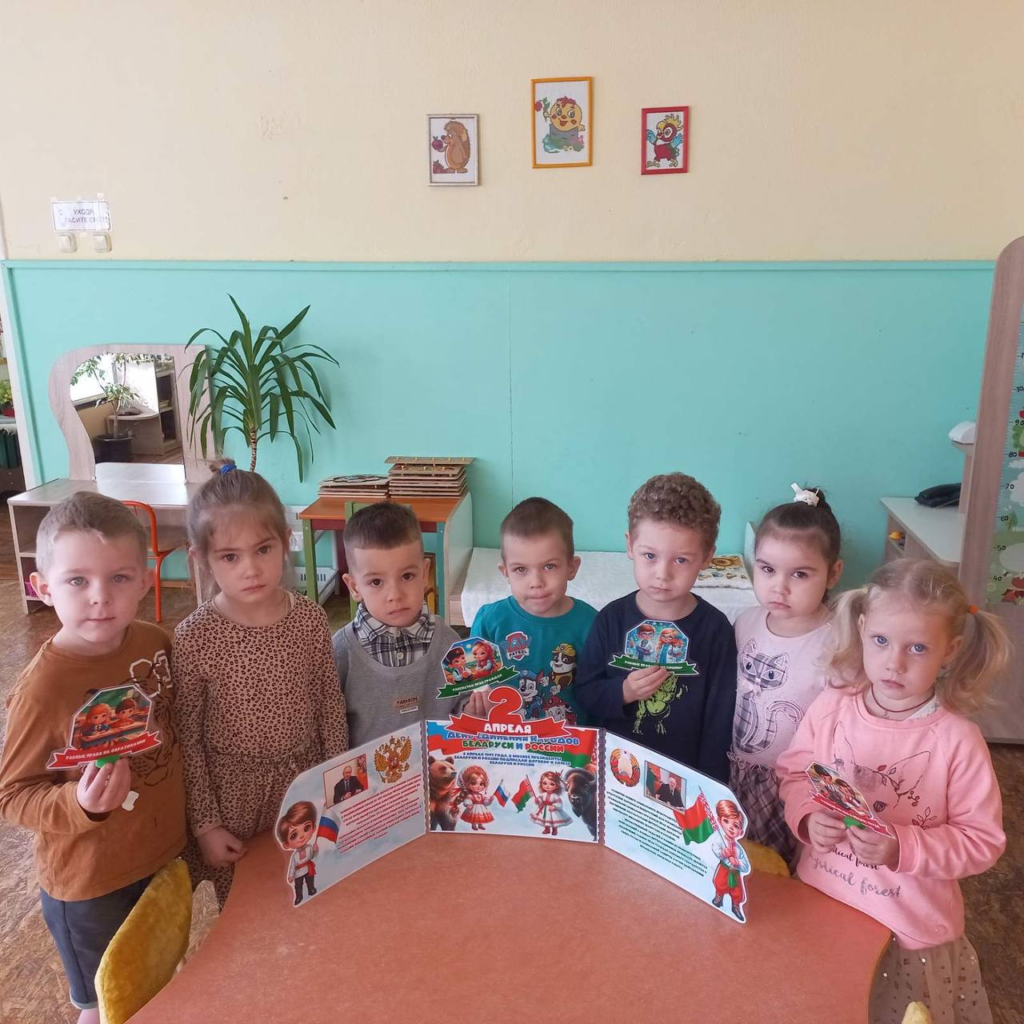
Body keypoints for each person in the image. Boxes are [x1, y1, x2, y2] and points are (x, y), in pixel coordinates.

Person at [778, 559, 1010, 1024]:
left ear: (950, 651)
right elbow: (795, 772)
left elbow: (982, 841)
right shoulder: (832, 706)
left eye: (918, 648)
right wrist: (806, 815)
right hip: (820, 903)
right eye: (882, 640)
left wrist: (901, 846)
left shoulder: (957, 740)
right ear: (863, 628)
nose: (895, 663)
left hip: (904, 932)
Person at [0, 493, 186, 1024]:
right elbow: (12, 796)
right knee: (107, 1006)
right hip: (89, 886)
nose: (100, 597)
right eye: (77, 580)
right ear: (42, 588)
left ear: (145, 580)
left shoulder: (155, 642)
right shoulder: (42, 690)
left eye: (119, 578)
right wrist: (80, 804)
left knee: (156, 981)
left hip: (161, 856)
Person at [174, 461, 348, 907]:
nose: (250, 568)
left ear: (286, 543)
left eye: (263, 549)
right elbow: (187, 738)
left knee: (310, 896)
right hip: (232, 800)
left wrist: (337, 787)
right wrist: (207, 825)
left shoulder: (310, 618)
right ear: (202, 559)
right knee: (246, 910)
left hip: (304, 786)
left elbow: (329, 705)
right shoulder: (194, 636)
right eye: (230, 556)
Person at [575, 473, 737, 781]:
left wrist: (709, 785)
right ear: (630, 545)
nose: (663, 574)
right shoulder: (610, 619)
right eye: (650, 556)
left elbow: (719, 722)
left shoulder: (716, 631)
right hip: (615, 773)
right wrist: (623, 691)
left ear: (707, 557)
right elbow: (585, 693)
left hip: (684, 777)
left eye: (681, 560)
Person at [729, 483, 843, 868]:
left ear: (833, 574)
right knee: (744, 867)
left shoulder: (840, 643)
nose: (779, 586)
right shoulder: (745, 623)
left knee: (786, 873)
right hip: (738, 774)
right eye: (767, 569)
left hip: (798, 786)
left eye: (800, 574)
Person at [332, 502, 462, 746]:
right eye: (376, 582)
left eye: (407, 576)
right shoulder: (339, 651)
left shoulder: (450, 644)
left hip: (438, 768)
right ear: (354, 587)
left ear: (424, 574)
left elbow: (464, 707)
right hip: (366, 770)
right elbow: (329, 722)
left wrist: (475, 708)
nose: (395, 595)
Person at [468, 497, 596, 725]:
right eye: (520, 569)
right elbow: (473, 687)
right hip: (505, 739)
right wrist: (473, 705)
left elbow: (599, 693)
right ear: (505, 572)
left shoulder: (591, 622)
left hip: (569, 741)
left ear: (571, 567)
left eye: (549, 566)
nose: (536, 582)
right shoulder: (488, 621)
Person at [530, 770, 572, 836]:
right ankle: (547, 829)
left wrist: (554, 806)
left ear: (556, 786)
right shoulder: (543, 794)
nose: (548, 786)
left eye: (552, 784)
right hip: (544, 809)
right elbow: (540, 800)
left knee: (553, 820)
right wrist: (537, 801)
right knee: (545, 820)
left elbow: (559, 804)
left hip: (553, 811)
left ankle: (555, 830)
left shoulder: (555, 796)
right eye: (544, 783)